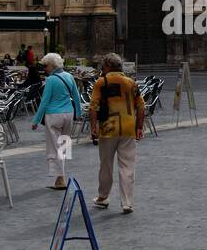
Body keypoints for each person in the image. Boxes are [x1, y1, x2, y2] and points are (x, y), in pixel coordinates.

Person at [89, 53, 145, 213]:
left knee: (106, 165)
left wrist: (93, 127)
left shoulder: (101, 82)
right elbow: (141, 106)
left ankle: (103, 197)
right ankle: (127, 202)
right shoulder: (131, 82)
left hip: (108, 128)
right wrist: (139, 127)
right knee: (127, 166)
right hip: (128, 127)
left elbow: (93, 107)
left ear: (107, 66)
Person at [32, 52, 82, 190]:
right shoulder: (69, 76)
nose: (45, 69)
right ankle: (61, 176)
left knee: (54, 147)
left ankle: (60, 178)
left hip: (54, 115)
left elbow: (44, 102)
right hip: (68, 114)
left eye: (46, 66)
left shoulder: (51, 80)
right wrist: (78, 113)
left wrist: (36, 120)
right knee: (64, 145)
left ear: (52, 66)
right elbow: (76, 97)